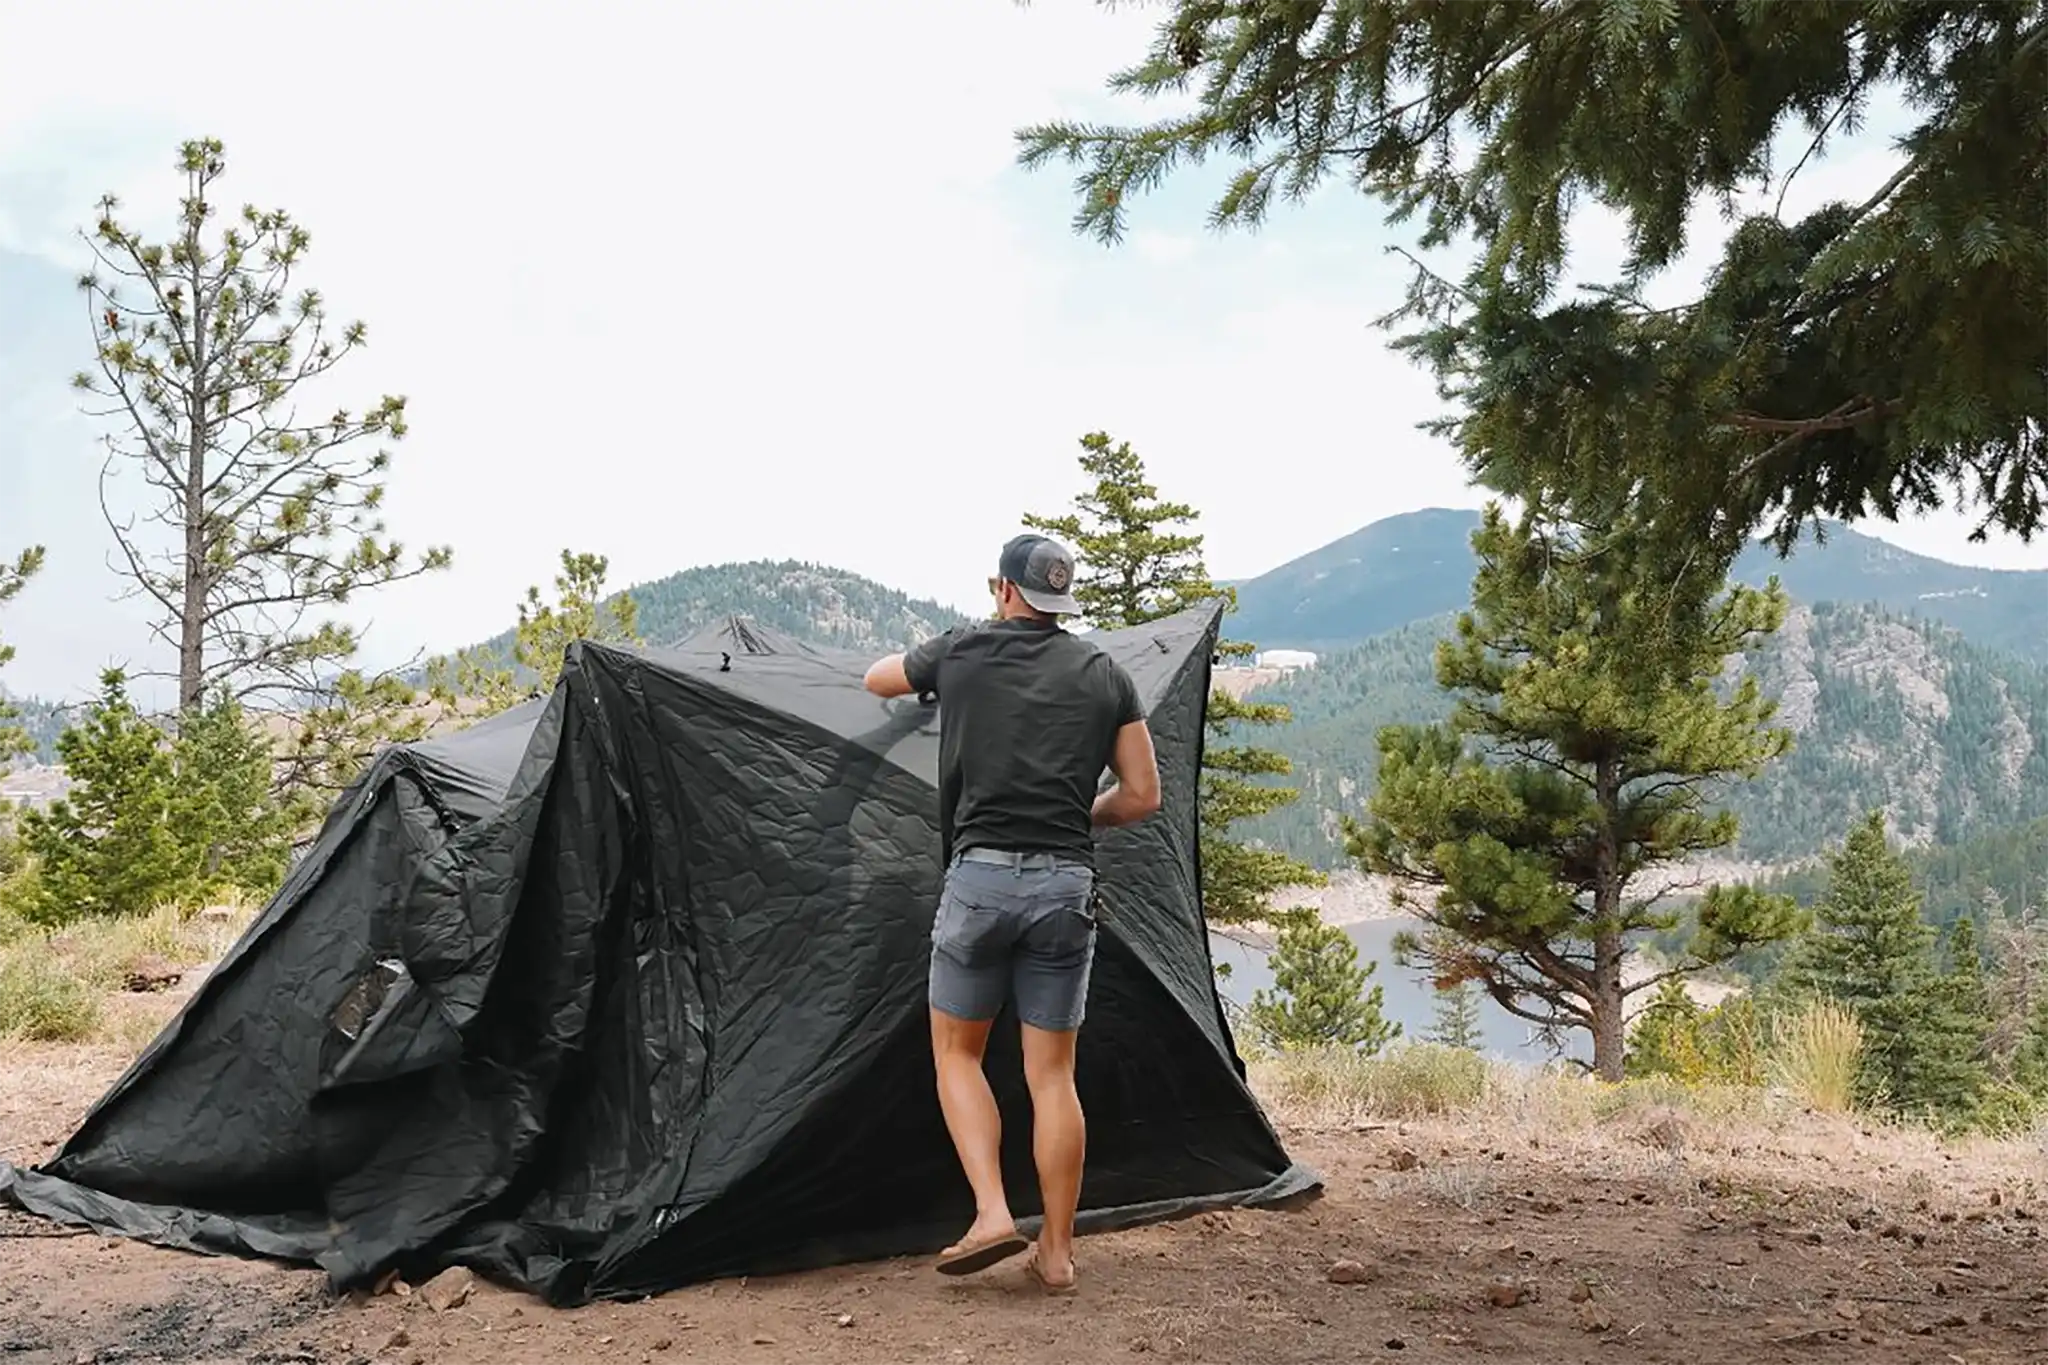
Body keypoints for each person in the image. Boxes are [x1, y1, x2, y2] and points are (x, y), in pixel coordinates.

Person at [863, 532, 1161, 1295]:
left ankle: (992, 1212)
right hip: (1066, 885)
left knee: (958, 1055)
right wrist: (1077, 816)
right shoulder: (1105, 674)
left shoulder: (960, 651)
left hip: (979, 883)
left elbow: (876, 680)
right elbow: (1141, 795)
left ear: (1002, 590)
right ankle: (1056, 1254)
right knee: (1051, 1075)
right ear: (1060, 599)